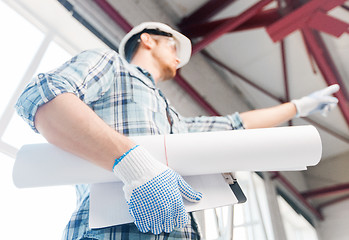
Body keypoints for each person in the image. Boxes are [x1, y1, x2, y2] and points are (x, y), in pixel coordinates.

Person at [15, 22, 339, 240]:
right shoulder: (110, 65)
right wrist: (134, 165)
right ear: (147, 39)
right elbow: (42, 97)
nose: (178, 58)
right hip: (111, 231)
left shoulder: (175, 121)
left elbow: (236, 126)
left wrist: (299, 106)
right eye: (173, 45)